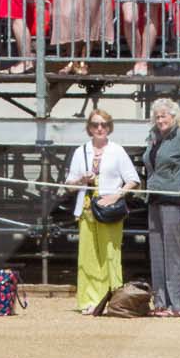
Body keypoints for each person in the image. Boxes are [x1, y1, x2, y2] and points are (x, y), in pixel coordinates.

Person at [65, 109, 138, 313]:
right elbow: (69, 185)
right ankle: (90, 301)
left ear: (109, 127)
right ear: (89, 127)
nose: (100, 128)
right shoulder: (81, 151)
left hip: (110, 212)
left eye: (104, 125)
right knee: (88, 258)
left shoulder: (117, 150)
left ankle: (113, 300)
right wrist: (82, 180)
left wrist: (115, 195)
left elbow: (133, 180)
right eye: (96, 124)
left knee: (110, 256)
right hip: (87, 211)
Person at [137, 98, 180, 317]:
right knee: (156, 253)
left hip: (175, 202)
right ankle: (161, 303)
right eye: (157, 116)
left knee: (174, 254)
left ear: (174, 117)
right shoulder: (153, 137)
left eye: (164, 115)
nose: (160, 119)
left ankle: (177, 304)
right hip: (154, 200)